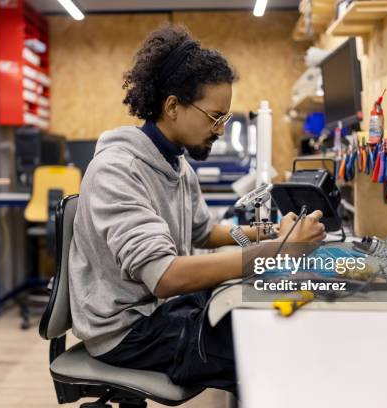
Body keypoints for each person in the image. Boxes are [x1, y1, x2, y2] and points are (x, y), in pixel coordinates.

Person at [68, 24, 326, 395]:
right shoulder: (117, 169)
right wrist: (274, 253)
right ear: (173, 106)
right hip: (128, 332)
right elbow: (166, 277)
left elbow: (204, 233)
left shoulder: (176, 164)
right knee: (272, 346)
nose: (221, 129)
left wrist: (269, 233)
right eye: (215, 117)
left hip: (162, 311)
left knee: (272, 309)